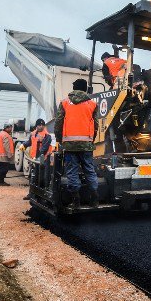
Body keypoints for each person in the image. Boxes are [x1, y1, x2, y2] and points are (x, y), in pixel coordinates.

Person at [54, 79, 99, 208]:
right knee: (90, 171)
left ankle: (76, 201)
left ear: (73, 88)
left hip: (69, 145)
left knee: (72, 172)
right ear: (85, 89)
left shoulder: (64, 103)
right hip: (86, 145)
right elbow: (95, 125)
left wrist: (59, 140)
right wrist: (91, 139)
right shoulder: (92, 104)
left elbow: (58, 123)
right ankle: (94, 199)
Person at [20, 118, 53, 199]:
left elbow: (44, 148)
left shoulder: (47, 135)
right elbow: (30, 142)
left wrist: (38, 157)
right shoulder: (33, 134)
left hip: (43, 159)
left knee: (42, 177)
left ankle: (40, 195)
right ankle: (31, 194)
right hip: (34, 159)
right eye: (39, 125)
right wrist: (24, 145)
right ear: (36, 126)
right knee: (33, 176)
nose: (41, 126)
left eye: (42, 125)